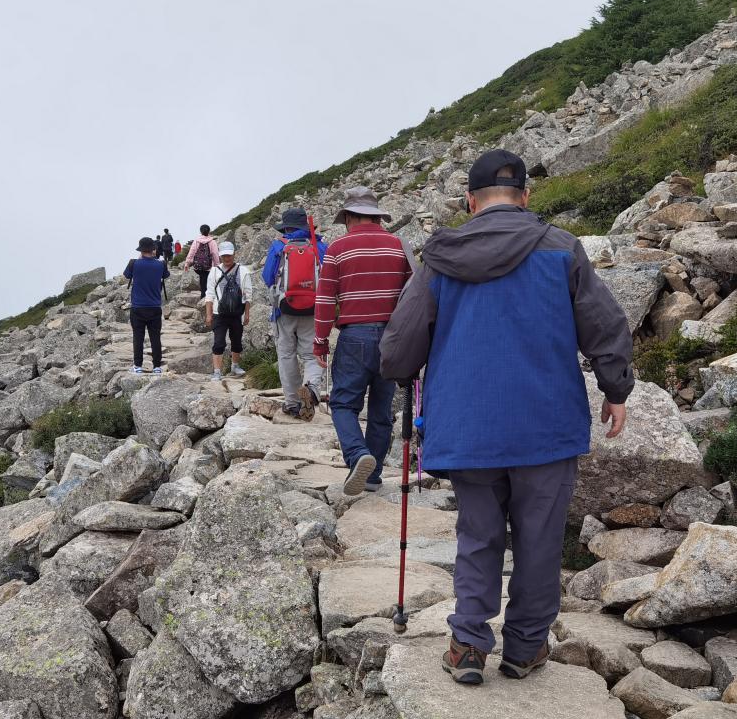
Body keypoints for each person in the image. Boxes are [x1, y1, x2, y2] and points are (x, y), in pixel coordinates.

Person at [380, 149, 633, 686]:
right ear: (526, 195)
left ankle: (468, 644)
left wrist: (399, 371)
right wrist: (616, 389)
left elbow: (400, 347)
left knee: (478, 533)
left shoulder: (439, 258)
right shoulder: (562, 249)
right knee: (540, 539)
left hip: (469, 427)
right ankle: (525, 647)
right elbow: (604, 325)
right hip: (547, 425)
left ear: (470, 201)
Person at [313, 186, 412, 495]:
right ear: (375, 216)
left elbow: (326, 299)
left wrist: (320, 343)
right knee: (381, 411)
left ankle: (358, 455)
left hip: (354, 335)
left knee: (343, 403)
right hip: (392, 337)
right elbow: (413, 298)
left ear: (350, 217)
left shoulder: (337, 248)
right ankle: (372, 476)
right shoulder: (399, 246)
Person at [263, 207, 328, 420]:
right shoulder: (319, 247)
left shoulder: (279, 247)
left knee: (287, 354)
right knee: (311, 354)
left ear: (286, 227)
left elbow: (267, 277)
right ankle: (311, 388)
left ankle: (292, 403)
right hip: (313, 309)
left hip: (284, 309)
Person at [204, 240, 253, 381]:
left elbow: (248, 294)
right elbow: (209, 294)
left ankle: (235, 366)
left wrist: (247, 314)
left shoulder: (243, 271)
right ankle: (217, 371)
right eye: (224, 255)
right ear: (220, 256)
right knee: (219, 342)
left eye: (229, 255)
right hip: (219, 313)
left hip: (237, 313)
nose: (227, 258)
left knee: (237, 341)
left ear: (234, 254)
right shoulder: (214, 272)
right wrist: (208, 314)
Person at [123, 236, 170, 375]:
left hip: (138, 307)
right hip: (155, 307)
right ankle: (157, 366)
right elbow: (166, 275)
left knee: (138, 337)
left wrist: (140, 258)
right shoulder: (161, 265)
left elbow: (126, 276)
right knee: (155, 337)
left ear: (141, 250)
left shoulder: (134, 263)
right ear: (154, 249)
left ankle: (138, 365)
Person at [184, 225, 220, 298]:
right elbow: (215, 254)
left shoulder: (196, 241)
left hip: (198, 266)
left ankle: (203, 294)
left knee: (202, 278)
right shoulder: (212, 241)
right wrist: (217, 265)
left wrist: (187, 263)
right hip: (209, 266)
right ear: (209, 231)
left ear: (200, 231)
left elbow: (191, 252)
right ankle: (206, 296)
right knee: (207, 279)